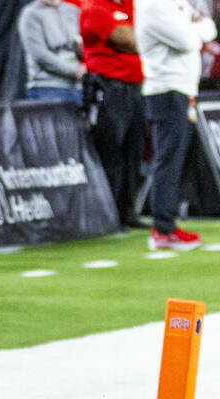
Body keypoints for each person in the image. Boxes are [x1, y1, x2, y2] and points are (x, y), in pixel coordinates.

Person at [134, 0, 215, 250]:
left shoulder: (174, 2)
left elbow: (210, 29)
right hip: (167, 90)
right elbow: (189, 42)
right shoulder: (152, 5)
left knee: (175, 158)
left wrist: (195, 27)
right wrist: (195, 28)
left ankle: (166, 224)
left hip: (181, 88)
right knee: (167, 158)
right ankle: (163, 228)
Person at [80, 0, 147, 230]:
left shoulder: (131, 5)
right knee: (110, 152)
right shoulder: (95, 7)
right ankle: (107, 215)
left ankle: (128, 212)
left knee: (133, 152)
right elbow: (129, 40)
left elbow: (143, 37)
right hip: (109, 87)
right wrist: (146, 36)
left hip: (136, 86)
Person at [18, 0, 85, 104]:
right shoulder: (30, 13)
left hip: (77, 86)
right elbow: (40, 55)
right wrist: (75, 71)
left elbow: (79, 43)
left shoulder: (72, 10)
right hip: (47, 87)